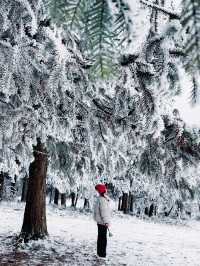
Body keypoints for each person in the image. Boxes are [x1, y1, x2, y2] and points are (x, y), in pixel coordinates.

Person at [93, 184, 111, 258]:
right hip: (102, 222)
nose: (96, 191)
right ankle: (101, 254)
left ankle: (101, 253)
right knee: (102, 238)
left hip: (101, 222)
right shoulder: (102, 199)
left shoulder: (101, 199)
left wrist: (106, 221)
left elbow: (104, 212)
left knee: (101, 238)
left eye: (97, 190)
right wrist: (106, 221)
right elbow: (103, 212)